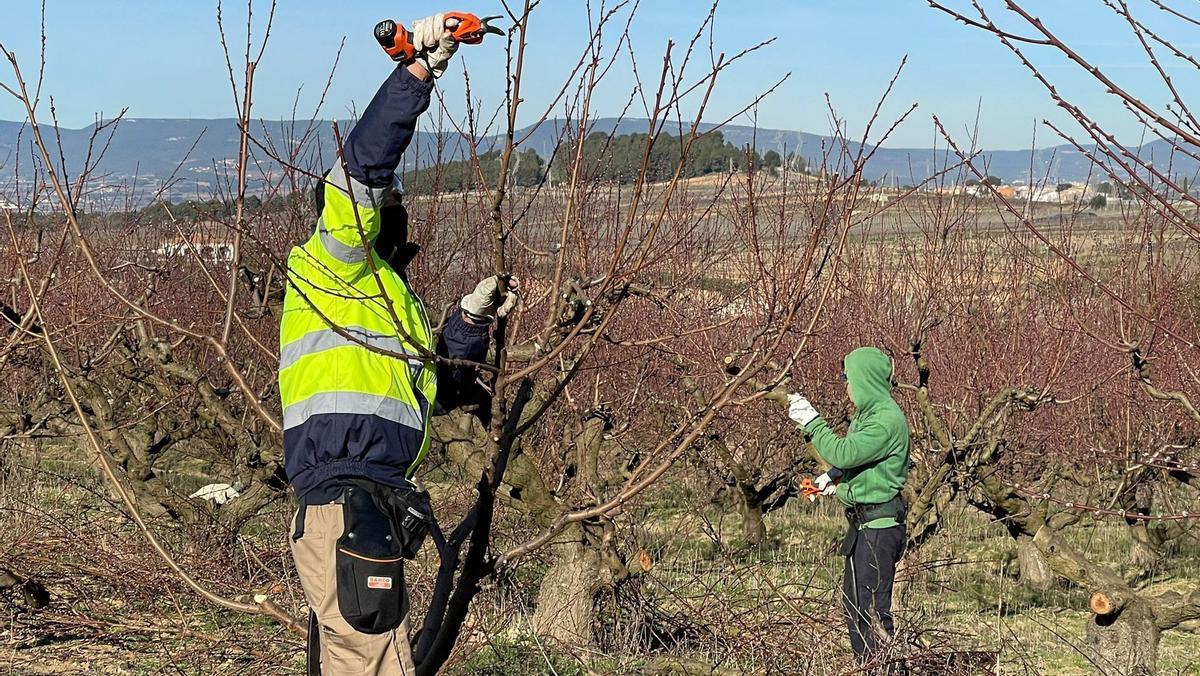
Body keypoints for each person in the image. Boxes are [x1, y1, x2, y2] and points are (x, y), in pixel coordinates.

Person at [278, 14, 515, 675]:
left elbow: (442, 391)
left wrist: (470, 321)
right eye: (386, 202)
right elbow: (363, 166)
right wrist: (418, 70)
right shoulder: (331, 267)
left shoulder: (387, 298)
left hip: (371, 503)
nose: (393, 208)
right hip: (347, 499)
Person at [786, 347, 910, 664]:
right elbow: (858, 461)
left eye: (848, 378)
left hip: (878, 531)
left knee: (871, 613)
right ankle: (869, 667)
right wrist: (832, 478)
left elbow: (844, 452)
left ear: (864, 380)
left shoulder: (885, 419)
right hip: (864, 528)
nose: (846, 385)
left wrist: (812, 422)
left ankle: (882, 669)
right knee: (855, 606)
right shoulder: (867, 416)